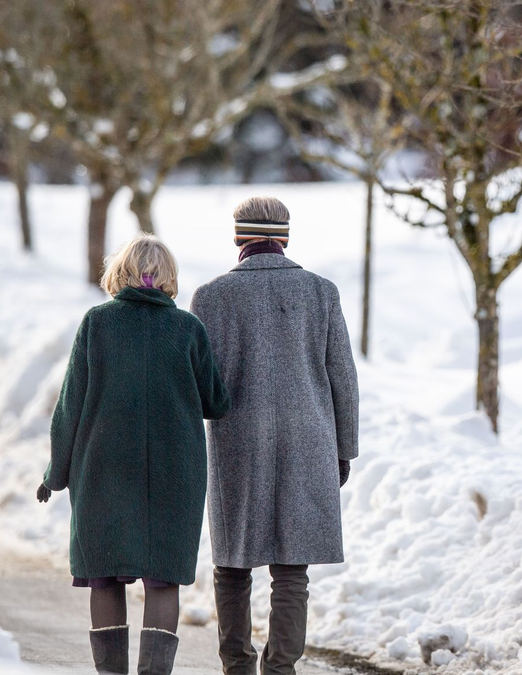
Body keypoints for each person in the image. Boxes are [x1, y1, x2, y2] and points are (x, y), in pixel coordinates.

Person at [38, 234, 231, 675]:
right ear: (168, 277)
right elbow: (217, 403)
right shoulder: (188, 329)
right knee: (163, 580)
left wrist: (55, 473)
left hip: (103, 470)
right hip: (174, 474)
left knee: (105, 576)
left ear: (120, 272)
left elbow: (70, 406)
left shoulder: (97, 323)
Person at [191, 196, 359, 675]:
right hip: (309, 441)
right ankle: (281, 668)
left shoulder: (211, 297)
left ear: (239, 237)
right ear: (285, 236)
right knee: (291, 569)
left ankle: (237, 665)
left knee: (232, 566)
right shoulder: (321, 292)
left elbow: (199, 381)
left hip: (236, 444)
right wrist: (344, 449)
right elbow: (343, 378)